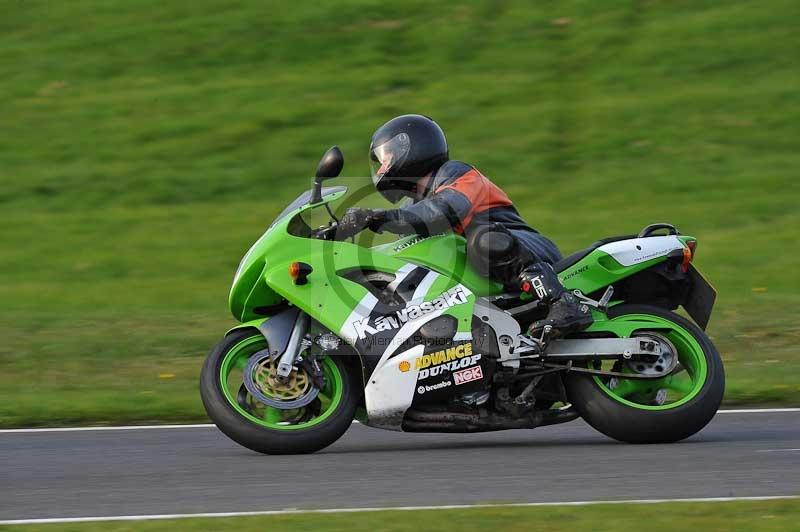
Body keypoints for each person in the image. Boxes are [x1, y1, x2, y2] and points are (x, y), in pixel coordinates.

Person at [336, 114, 592, 337]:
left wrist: (380, 217)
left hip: (524, 247)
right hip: (487, 272)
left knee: (483, 240)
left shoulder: (456, 173)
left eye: (386, 157)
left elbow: (445, 210)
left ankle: (562, 301)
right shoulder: (411, 205)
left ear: (410, 147)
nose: (381, 168)